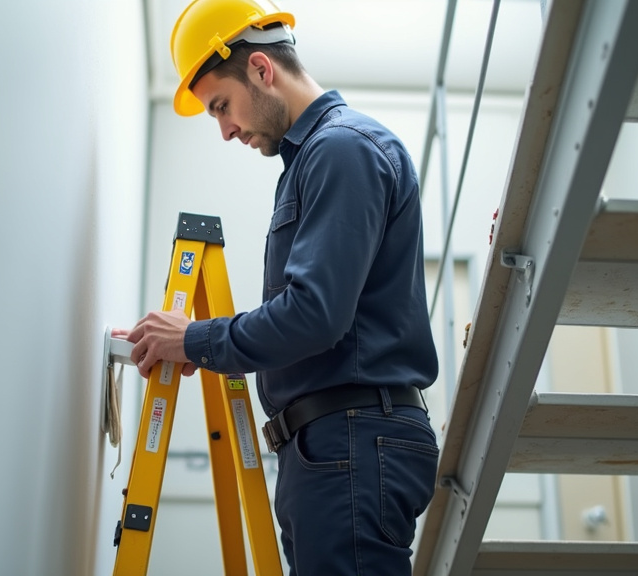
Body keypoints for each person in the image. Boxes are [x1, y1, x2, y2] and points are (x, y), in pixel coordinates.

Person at [115, 0, 439, 573]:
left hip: (350, 439)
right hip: (335, 445)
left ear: (261, 69)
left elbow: (313, 315)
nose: (225, 130)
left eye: (221, 106)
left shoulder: (341, 150)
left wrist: (193, 339)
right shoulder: (317, 160)